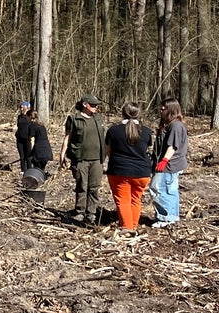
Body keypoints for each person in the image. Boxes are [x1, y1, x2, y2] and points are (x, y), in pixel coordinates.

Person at [104, 102, 153, 231]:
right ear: (139, 114)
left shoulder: (113, 131)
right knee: (136, 200)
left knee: (123, 201)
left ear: (123, 113)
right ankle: (133, 226)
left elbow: (108, 151)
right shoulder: (147, 131)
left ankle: (127, 228)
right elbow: (146, 150)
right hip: (142, 172)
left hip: (119, 171)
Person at [60, 93, 106, 223]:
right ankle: (80, 211)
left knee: (94, 187)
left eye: (97, 105)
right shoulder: (74, 119)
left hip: (97, 160)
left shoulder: (98, 119)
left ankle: (91, 213)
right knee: (82, 186)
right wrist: (62, 155)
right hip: (81, 160)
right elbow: (67, 138)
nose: (96, 107)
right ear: (85, 104)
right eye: (93, 105)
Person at [148, 99, 188, 228]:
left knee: (160, 189)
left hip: (170, 164)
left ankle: (166, 218)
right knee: (169, 189)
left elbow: (173, 146)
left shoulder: (176, 126)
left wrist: (164, 161)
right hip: (167, 163)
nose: (161, 110)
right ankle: (172, 216)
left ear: (171, 109)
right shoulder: (168, 124)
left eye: (164, 108)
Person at [26, 109, 54, 173]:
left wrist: (32, 152)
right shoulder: (42, 125)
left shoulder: (32, 126)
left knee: (37, 169)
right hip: (46, 149)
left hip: (39, 150)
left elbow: (32, 140)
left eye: (26, 117)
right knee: (41, 169)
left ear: (30, 117)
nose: (26, 118)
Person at [16, 101, 32, 172]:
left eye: (23, 107)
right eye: (21, 108)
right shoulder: (19, 117)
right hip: (19, 139)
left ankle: (29, 171)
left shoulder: (30, 117)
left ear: (27, 108)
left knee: (28, 156)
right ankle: (22, 170)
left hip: (27, 139)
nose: (21, 109)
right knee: (22, 157)